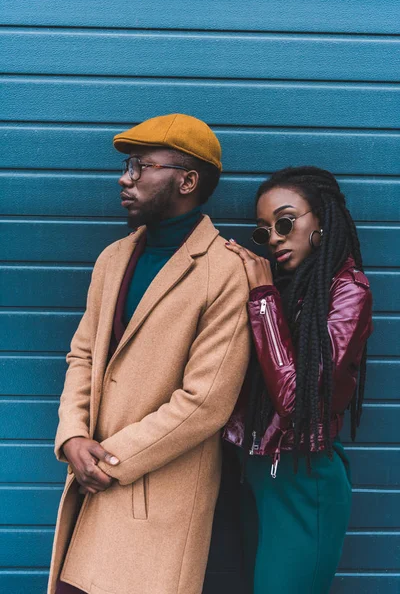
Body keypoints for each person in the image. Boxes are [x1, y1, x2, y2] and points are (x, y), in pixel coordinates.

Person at [48, 113, 251, 594]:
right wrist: (73, 437)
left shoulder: (224, 271)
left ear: (187, 180)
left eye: (141, 166)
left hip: (155, 499)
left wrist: (106, 460)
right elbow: (82, 356)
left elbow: (205, 402)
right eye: (127, 166)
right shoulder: (114, 257)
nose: (125, 178)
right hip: (90, 485)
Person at [223, 166, 373, 594]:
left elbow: (297, 399)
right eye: (263, 231)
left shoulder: (348, 291)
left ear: (321, 218)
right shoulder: (291, 287)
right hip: (255, 472)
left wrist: (263, 300)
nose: (273, 238)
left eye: (285, 222)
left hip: (302, 479)